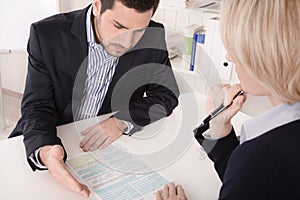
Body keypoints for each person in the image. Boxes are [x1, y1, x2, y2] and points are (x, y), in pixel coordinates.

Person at [9, 0, 179, 197]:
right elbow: (37, 105)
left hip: (107, 151)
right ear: (98, 5)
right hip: (48, 139)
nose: (127, 42)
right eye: (118, 26)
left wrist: (121, 121)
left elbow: (166, 94)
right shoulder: (47, 35)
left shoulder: (153, 35)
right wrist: (45, 150)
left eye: (138, 31)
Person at [156, 0, 300, 199]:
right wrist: (219, 127)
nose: (229, 56)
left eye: (237, 47)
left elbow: (256, 174)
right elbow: (254, 186)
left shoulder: (263, 156)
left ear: (270, 54)